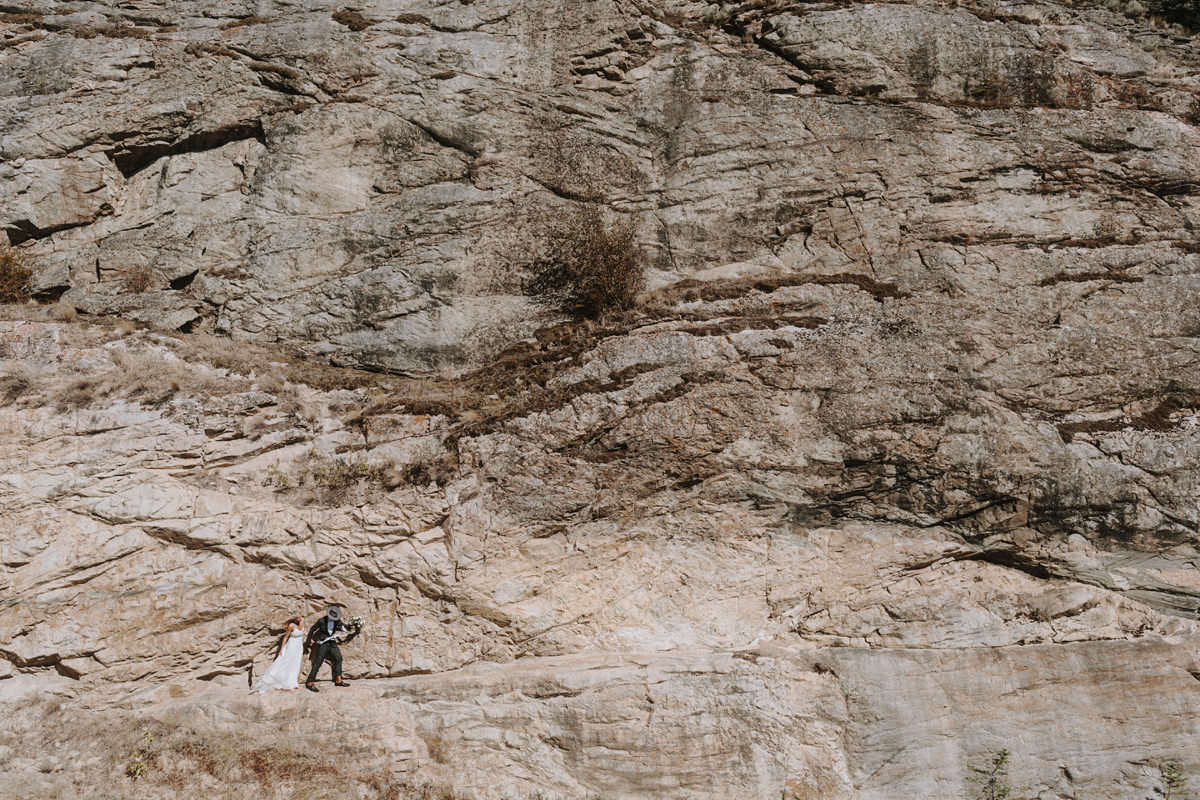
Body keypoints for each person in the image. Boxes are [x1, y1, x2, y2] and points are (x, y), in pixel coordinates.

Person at [304, 605, 359, 692]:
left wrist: (355, 625)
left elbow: (345, 627)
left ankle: (338, 680)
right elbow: (312, 629)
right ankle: (309, 682)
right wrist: (308, 641)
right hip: (323, 643)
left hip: (332, 643)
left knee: (339, 658)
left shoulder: (337, 621)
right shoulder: (321, 621)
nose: (334, 618)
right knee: (318, 662)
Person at [250, 616, 305, 693]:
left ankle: (293, 682)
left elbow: (302, 633)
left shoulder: (302, 624)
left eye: (300, 617)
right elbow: (285, 637)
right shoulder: (291, 625)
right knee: (287, 663)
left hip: (299, 647)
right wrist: (282, 649)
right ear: (295, 618)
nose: (300, 618)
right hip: (291, 646)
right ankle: (286, 682)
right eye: (298, 617)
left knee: (296, 663)